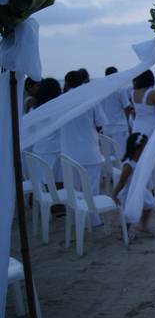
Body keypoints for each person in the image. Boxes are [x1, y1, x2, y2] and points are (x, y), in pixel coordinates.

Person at [61, 70, 108, 226]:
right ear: (82, 82)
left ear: (66, 83)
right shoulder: (91, 98)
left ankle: (75, 218)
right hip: (89, 149)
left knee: (73, 189)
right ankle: (93, 219)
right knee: (92, 188)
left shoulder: (61, 100)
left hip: (68, 151)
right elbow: (101, 122)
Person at [112, 133, 155, 238]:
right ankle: (124, 232)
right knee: (129, 213)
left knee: (149, 205)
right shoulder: (129, 165)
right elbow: (121, 182)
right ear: (137, 149)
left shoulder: (141, 160)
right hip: (129, 192)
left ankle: (143, 225)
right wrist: (114, 194)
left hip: (140, 190)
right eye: (144, 148)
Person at [32, 78, 62, 183]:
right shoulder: (57, 109)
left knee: (43, 183)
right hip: (55, 151)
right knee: (58, 183)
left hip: (38, 150)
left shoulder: (35, 109)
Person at [100, 66, 132, 158]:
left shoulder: (102, 91)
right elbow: (127, 107)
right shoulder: (120, 89)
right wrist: (128, 123)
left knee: (109, 156)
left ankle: (112, 172)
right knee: (122, 154)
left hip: (106, 127)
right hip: (120, 127)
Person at [131, 70, 155, 137]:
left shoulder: (133, 92)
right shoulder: (153, 93)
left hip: (137, 126)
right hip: (152, 126)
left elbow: (135, 111)